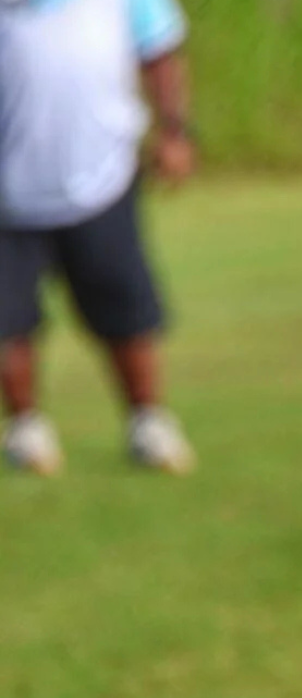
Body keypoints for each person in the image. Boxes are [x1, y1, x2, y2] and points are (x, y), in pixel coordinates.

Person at [0, 0, 196, 475]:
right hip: (8, 188)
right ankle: (27, 427)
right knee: (6, 320)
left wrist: (174, 131)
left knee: (126, 307)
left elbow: (160, 52)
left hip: (103, 172)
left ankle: (148, 420)